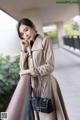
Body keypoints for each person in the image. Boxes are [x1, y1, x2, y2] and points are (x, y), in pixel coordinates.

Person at [17, 18, 69, 120]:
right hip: (35, 88)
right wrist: (23, 51)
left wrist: (30, 71)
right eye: (21, 34)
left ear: (32, 27)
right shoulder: (27, 46)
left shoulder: (45, 41)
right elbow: (22, 69)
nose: (25, 35)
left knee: (50, 116)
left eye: (26, 30)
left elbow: (50, 66)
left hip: (47, 86)